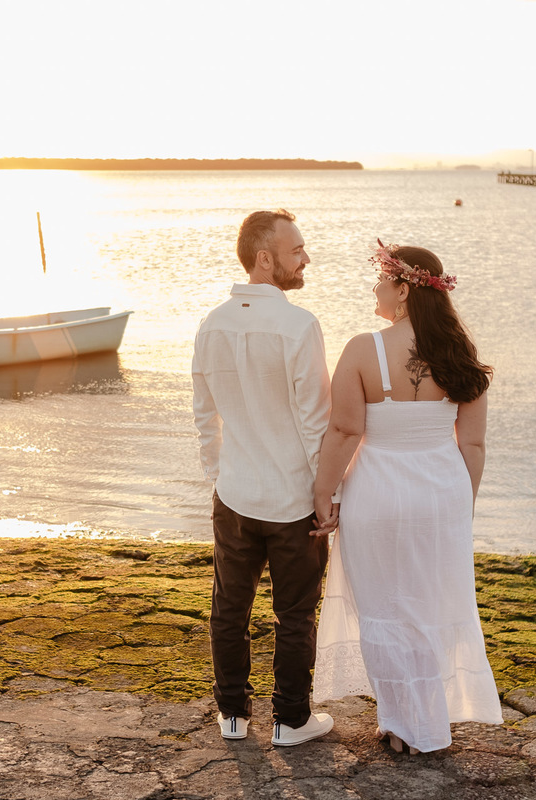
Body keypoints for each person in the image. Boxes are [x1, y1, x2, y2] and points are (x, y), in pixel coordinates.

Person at [310, 240, 503, 754]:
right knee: (429, 607)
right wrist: (463, 505)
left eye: (380, 279)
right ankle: (426, 724)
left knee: (385, 607)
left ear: (401, 288)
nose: (374, 288)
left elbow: (345, 431)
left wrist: (323, 493)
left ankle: (402, 724)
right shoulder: (462, 356)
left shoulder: (361, 349)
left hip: (379, 494)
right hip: (442, 494)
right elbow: (474, 444)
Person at [191, 209, 335, 747]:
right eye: (296, 250)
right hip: (293, 501)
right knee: (295, 614)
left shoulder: (211, 323)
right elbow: (315, 423)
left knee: (229, 606)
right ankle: (290, 721)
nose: (305, 258)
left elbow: (205, 415)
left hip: (234, 495)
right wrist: (328, 495)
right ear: (265, 258)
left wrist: (221, 474)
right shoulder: (299, 325)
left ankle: (232, 716)